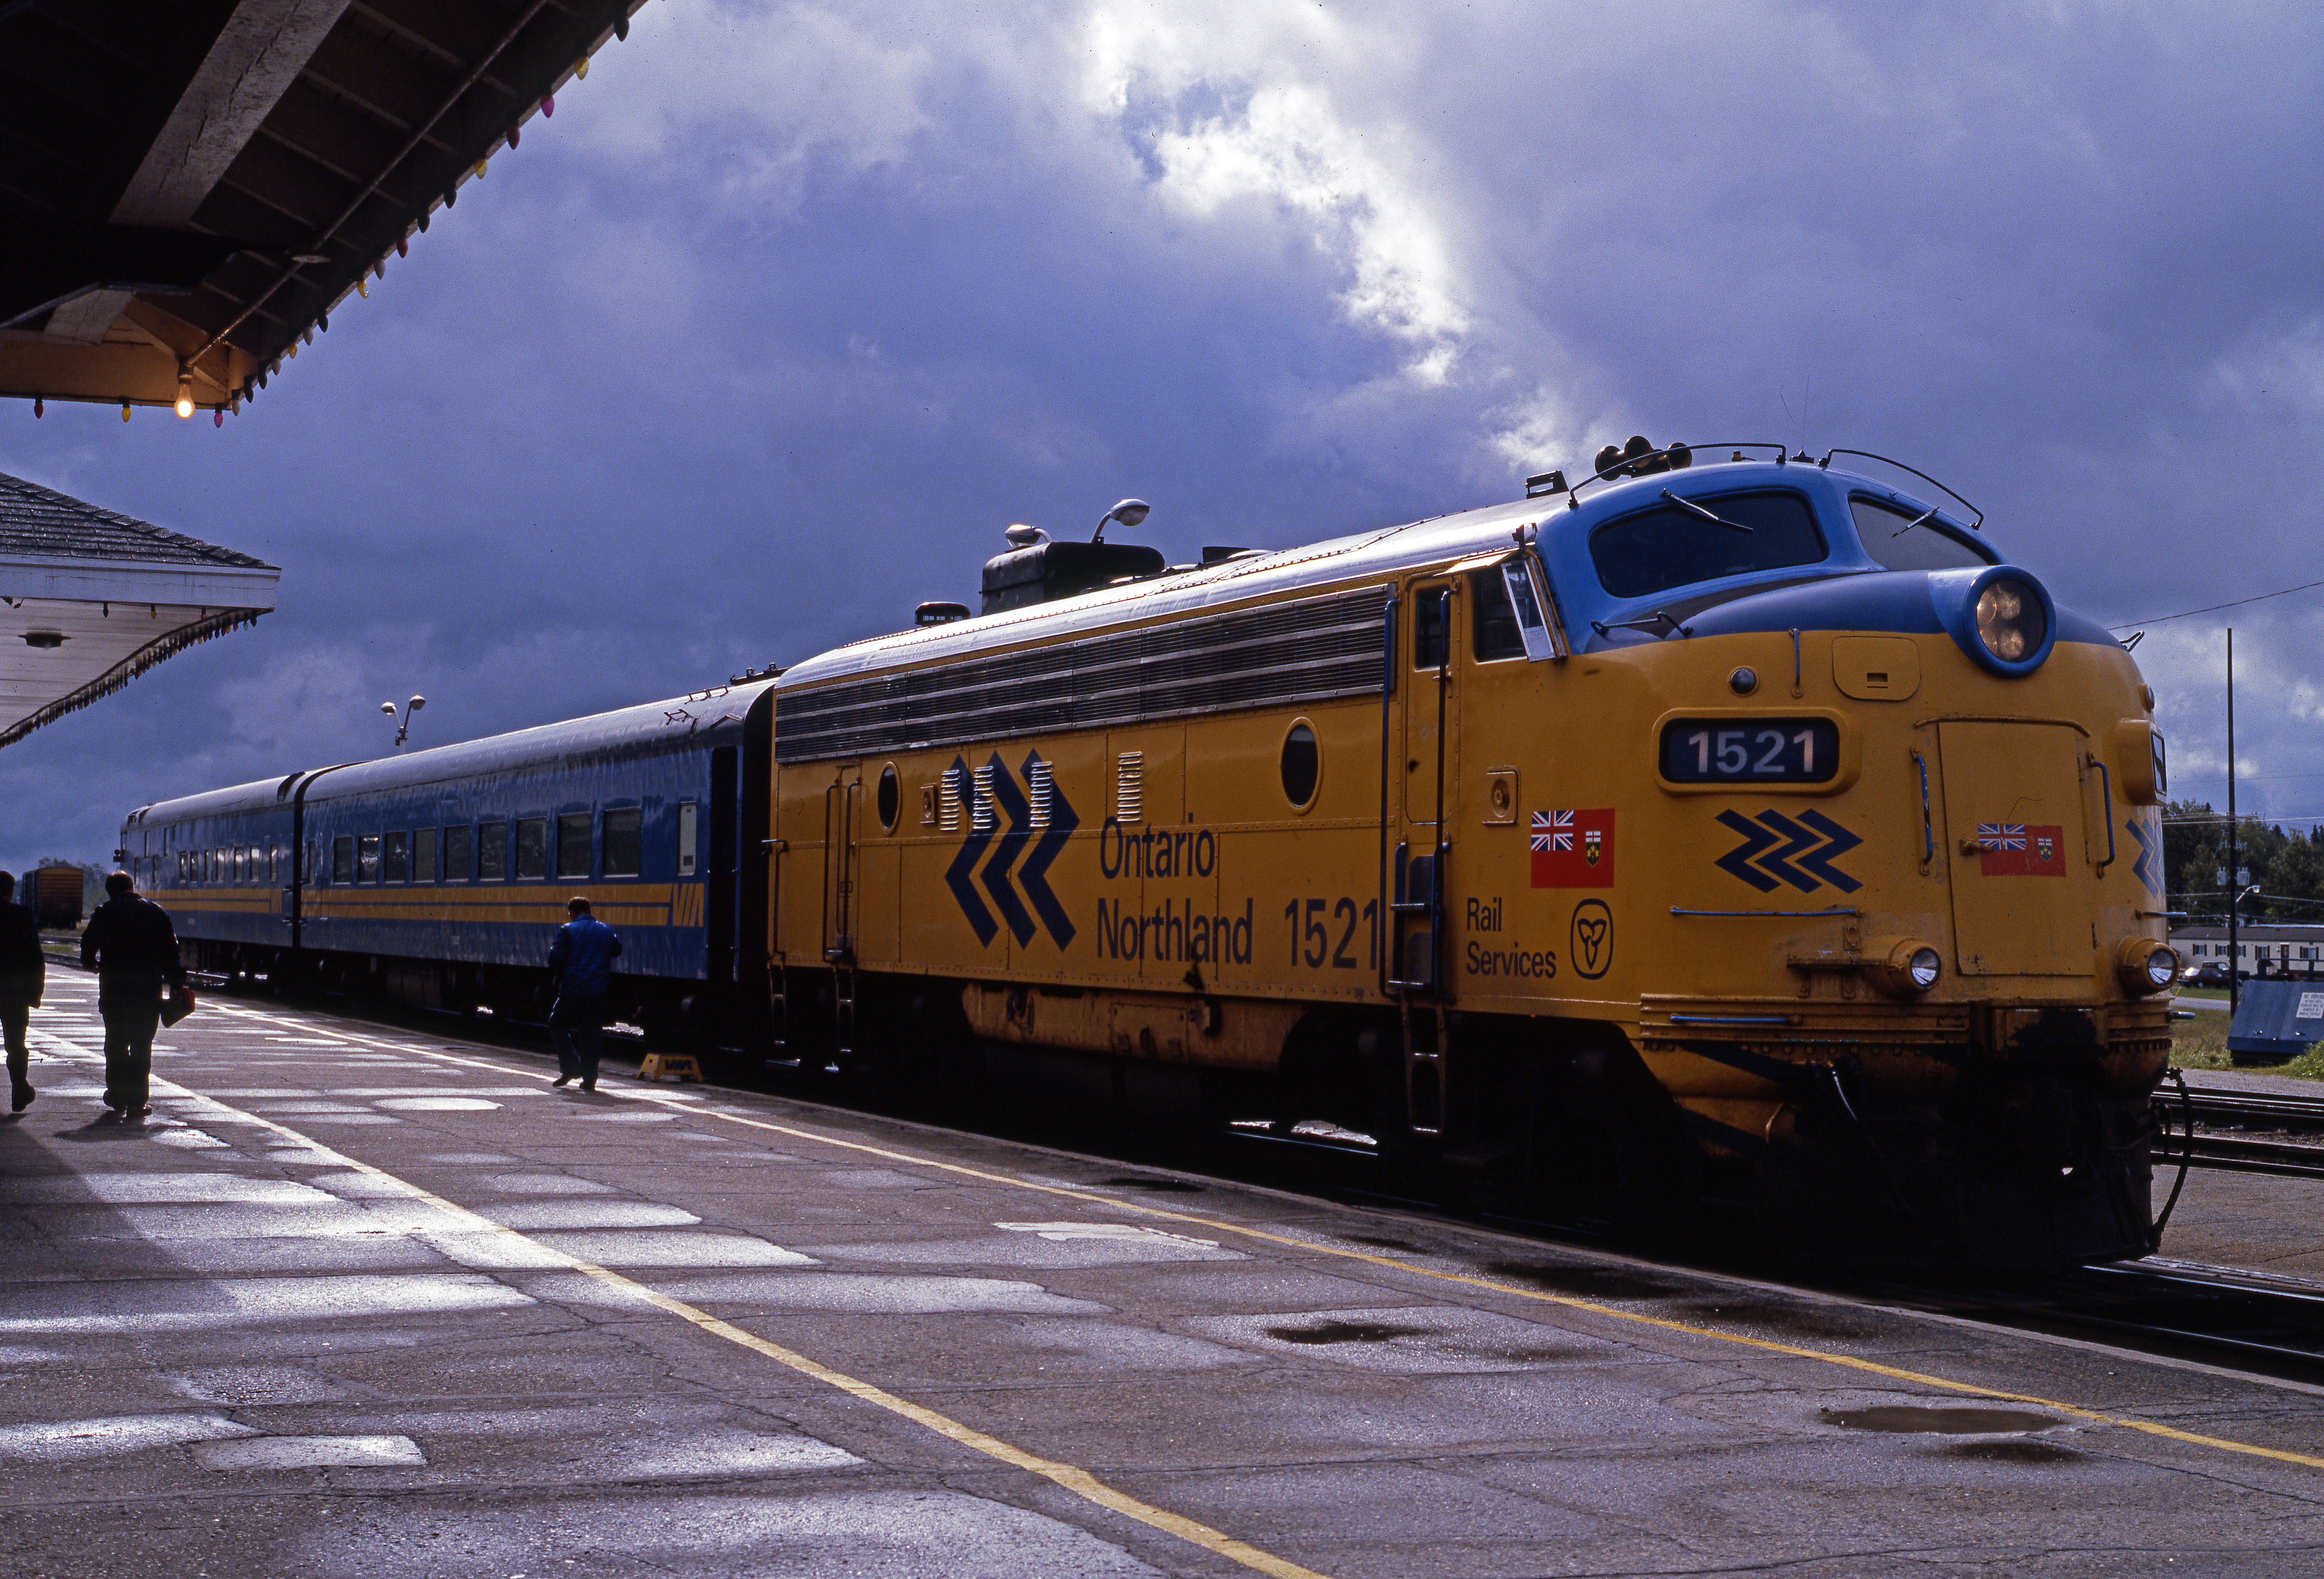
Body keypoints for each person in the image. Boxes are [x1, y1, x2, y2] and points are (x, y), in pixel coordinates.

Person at [79, 871, 186, 1119]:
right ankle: (138, 1103)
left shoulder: (105, 912)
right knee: (141, 1047)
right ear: (132, 887)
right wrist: (177, 985)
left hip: (115, 991)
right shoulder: (156, 912)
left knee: (116, 1044)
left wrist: (90, 963)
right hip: (148, 993)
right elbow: (172, 952)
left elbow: (88, 944)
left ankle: (117, 1096)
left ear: (111, 891)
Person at [546, 896, 621, 1092]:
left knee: (557, 1023)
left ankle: (571, 1066)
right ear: (589, 910)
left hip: (573, 989)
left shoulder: (568, 930)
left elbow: (554, 958)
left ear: (572, 912)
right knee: (591, 1033)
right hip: (598, 990)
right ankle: (590, 1079)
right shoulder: (606, 930)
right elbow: (617, 950)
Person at [0, 872, 43, 1112]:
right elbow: (36, 957)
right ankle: (19, 1090)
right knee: (16, 1044)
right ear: (11, 891)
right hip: (13, 993)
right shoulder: (20, 915)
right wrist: (35, 993)